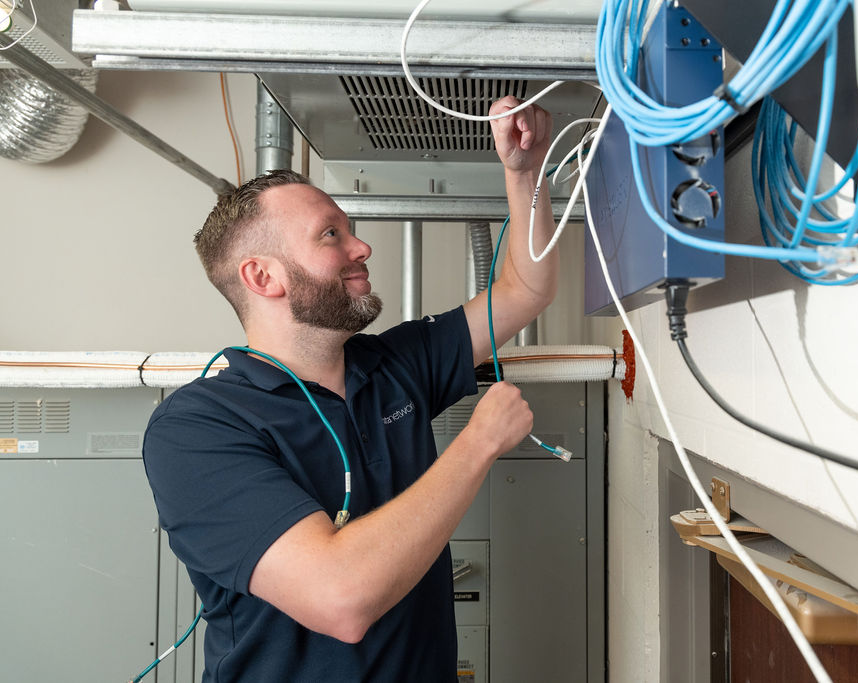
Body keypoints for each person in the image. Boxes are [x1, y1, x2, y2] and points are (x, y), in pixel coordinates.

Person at [142, 96, 558, 682]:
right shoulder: (197, 428)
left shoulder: (393, 364)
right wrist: (478, 443)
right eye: (330, 235)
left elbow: (523, 292)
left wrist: (525, 173)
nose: (361, 247)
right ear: (262, 276)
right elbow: (342, 599)